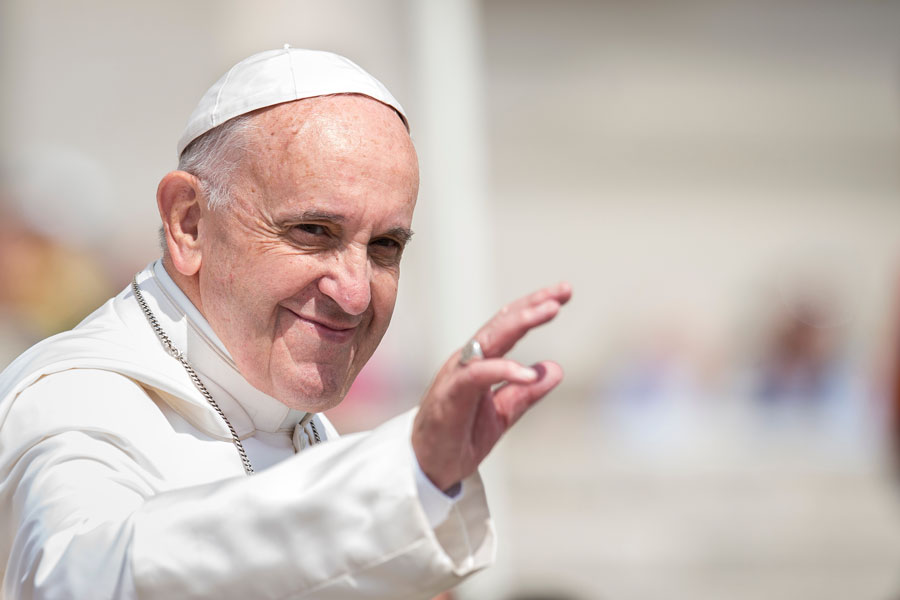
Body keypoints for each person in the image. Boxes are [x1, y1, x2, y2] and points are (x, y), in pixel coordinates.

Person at [0, 47, 571, 599]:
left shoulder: (296, 420)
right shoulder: (77, 402)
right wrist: (397, 479)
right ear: (190, 223)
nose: (353, 293)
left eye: (386, 246)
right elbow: (79, 579)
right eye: (313, 232)